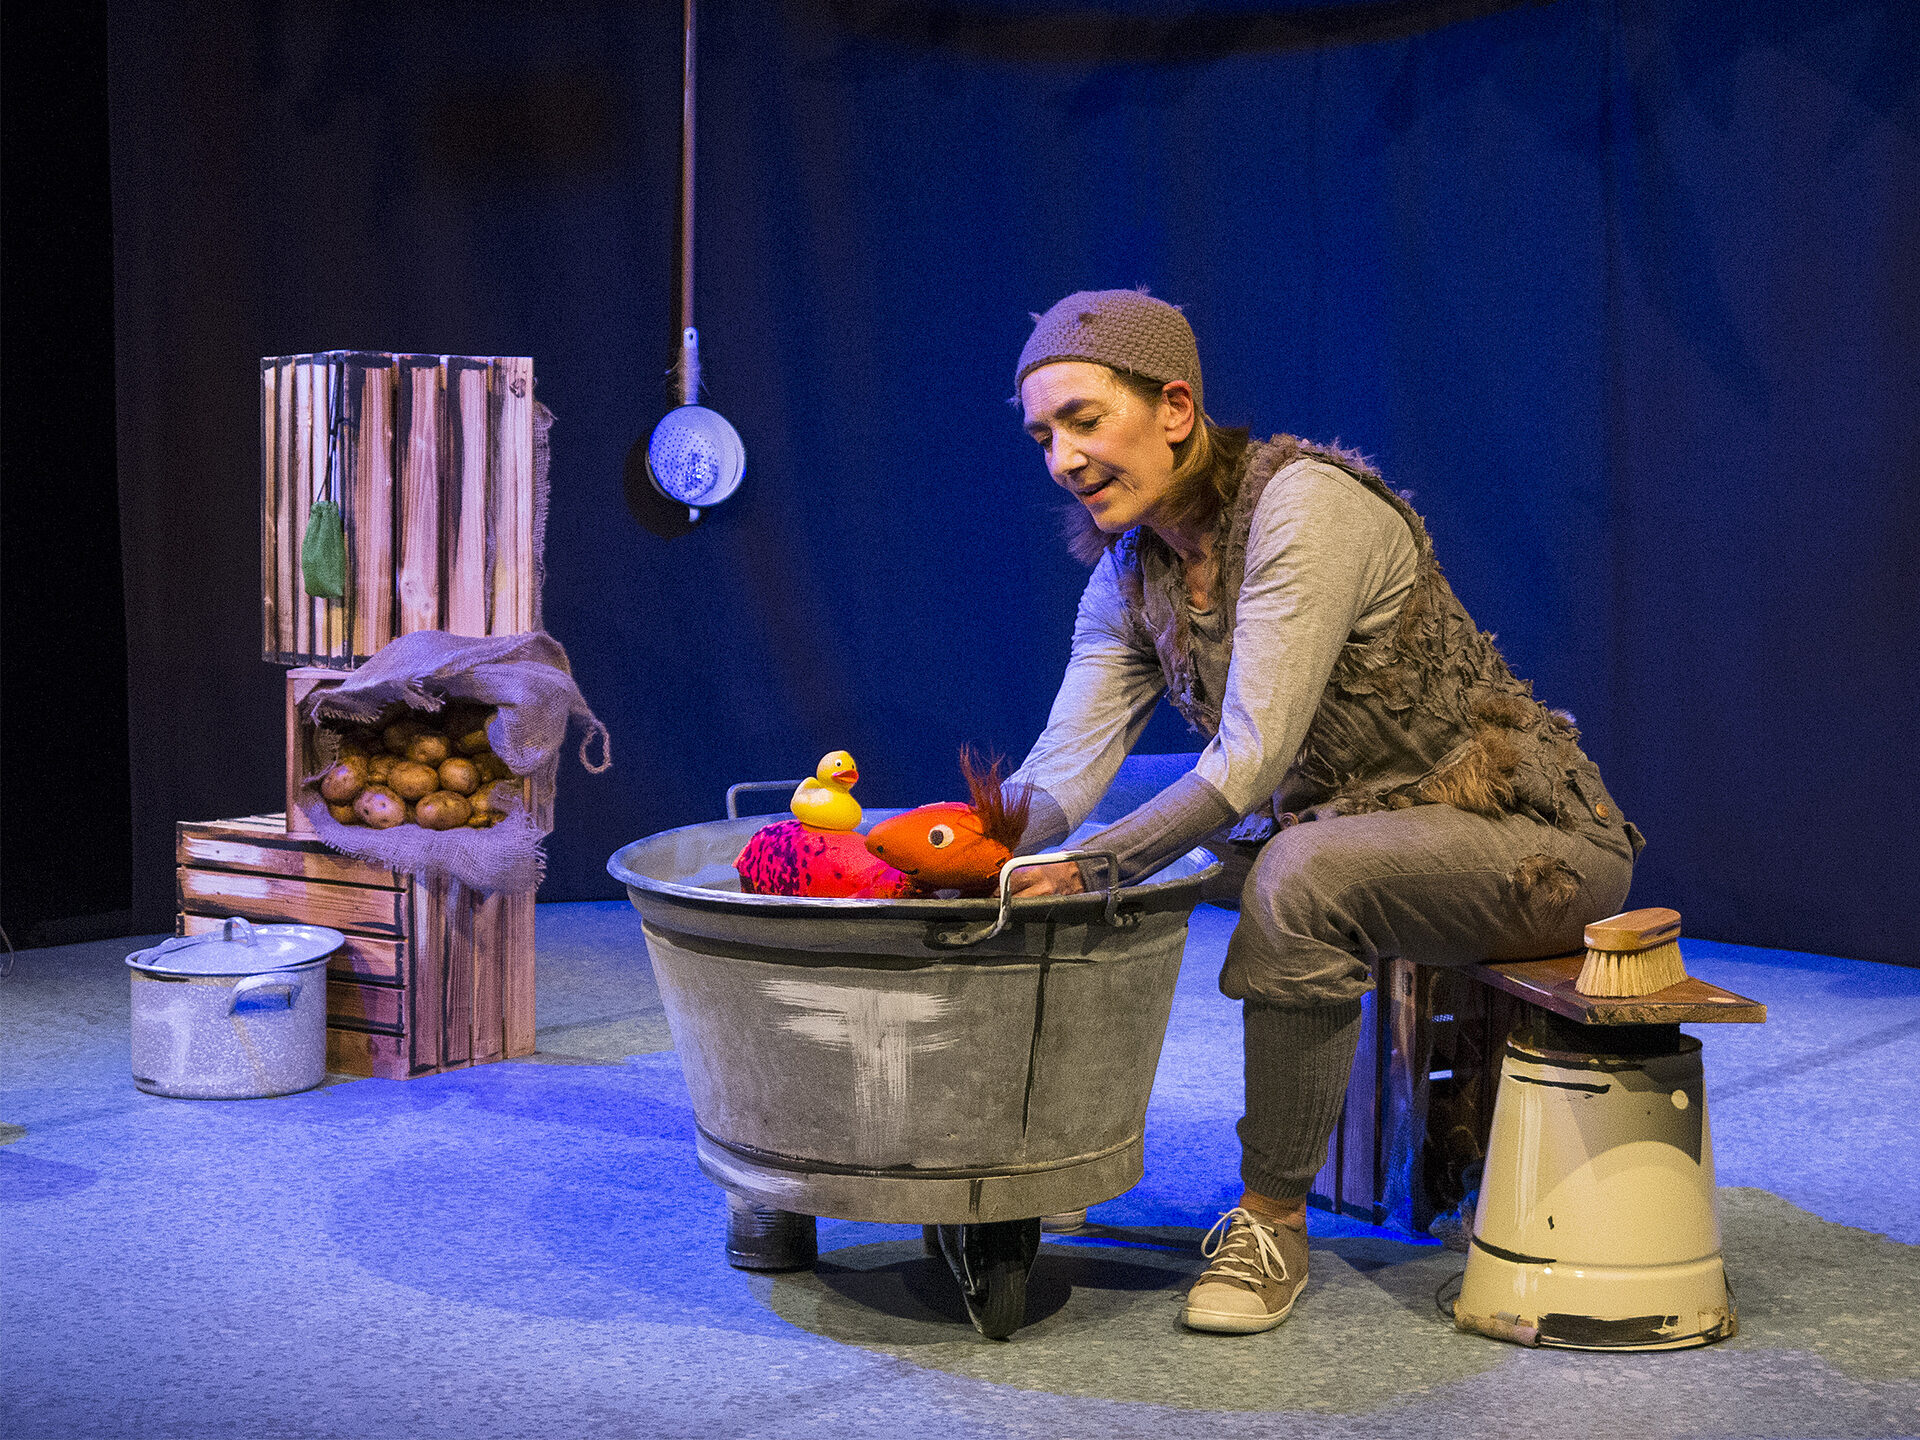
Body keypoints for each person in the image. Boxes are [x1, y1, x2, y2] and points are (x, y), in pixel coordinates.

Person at [1001, 289, 1642, 1335]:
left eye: (1084, 420)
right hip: (1339, 825)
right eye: (1043, 437)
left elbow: (1249, 761)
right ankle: (1052, 1155)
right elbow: (1063, 776)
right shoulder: (1133, 569)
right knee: (1102, 826)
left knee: (1292, 877)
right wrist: (953, 845)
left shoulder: (1304, 506)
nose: (1063, 460)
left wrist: (1091, 866)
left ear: (1174, 408)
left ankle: (1271, 1223)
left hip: (1528, 841)